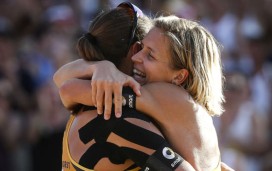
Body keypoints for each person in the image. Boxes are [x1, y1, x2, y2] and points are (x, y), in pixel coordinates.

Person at [55, 13, 228, 171]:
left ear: (179, 76)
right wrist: (99, 67)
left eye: (150, 55)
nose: (136, 58)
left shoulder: (166, 94)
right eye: (140, 48)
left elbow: (68, 90)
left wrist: (100, 68)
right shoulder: (191, 111)